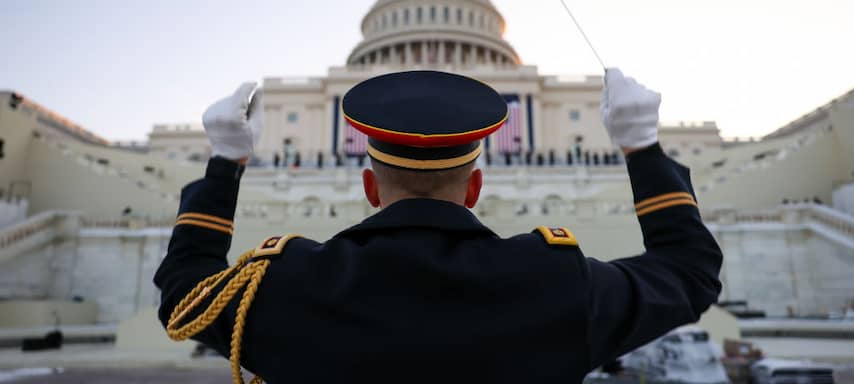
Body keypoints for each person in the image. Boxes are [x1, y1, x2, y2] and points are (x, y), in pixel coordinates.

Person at [154, 70, 722, 383]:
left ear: (370, 189)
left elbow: (183, 292)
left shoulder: (286, 285)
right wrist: (643, 147)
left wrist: (226, 162)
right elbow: (689, 273)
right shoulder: (554, 284)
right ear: (474, 189)